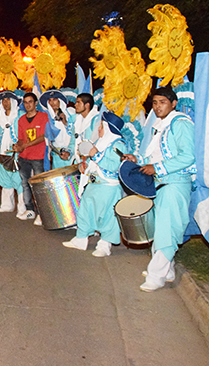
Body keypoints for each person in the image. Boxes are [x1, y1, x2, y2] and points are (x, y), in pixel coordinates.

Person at [123, 87, 195, 292]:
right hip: (161, 184)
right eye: (154, 103)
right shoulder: (161, 125)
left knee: (167, 230)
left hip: (175, 184)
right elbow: (156, 156)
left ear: (173, 104)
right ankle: (168, 270)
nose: (157, 107)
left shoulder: (180, 123)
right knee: (161, 228)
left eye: (162, 102)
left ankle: (156, 276)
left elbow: (188, 156)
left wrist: (157, 167)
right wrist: (138, 161)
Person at [63, 112, 126, 256]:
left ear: (109, 128)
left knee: (107, 216)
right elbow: (92, 162)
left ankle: (105, 245)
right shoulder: (100, 142)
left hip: (108, 187)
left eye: (101, 126)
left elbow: (115, 166)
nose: (98, 129)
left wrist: (95, 155)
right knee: (85, 211)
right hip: (93, 183)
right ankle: (81, 239)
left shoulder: (118, 145)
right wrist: (83, 166)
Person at [13, 92, 49, 224]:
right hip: (24, 156)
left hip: (38, 156)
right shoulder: (21, 120)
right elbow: (21, 138)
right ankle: (30, 209)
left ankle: (42, 212)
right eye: (25, 102)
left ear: (35, 103)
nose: (28, 105)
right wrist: (18, 146)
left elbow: (42, 136)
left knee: (39, 185)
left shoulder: (43, 117)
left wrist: (26, 145)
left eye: (30, 102)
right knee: (25, 183)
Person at [0, 91, 25, 216]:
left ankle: (22, 208)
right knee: (5, 178)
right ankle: (7, 205)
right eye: (3, 100)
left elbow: (24, 133)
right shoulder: (0, 117)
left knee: (19, 180)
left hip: (16, 153)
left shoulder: (20, 115)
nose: (5, 102)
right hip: (3, 152)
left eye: (8, 100)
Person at [40, 89, 74, 169]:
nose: (52, 103)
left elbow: (76, 133)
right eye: (50, 100)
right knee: (58, 180)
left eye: (54, 99)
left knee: (72, 181)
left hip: (71, 156)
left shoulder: (71, 113)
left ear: (60, 101)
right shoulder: (46, 117)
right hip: (57, 156)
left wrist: (65, 122)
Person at [70, 92, 100, 163]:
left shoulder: (96, 121)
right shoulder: (78, 121)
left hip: (92, 163)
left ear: (87, 105)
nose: (75, 105)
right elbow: (73, 141)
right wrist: (69, 152)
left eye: (78, 102)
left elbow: (98, 144)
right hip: (79, 162)